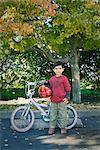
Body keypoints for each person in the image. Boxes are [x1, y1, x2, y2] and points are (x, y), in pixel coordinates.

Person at [47, 61, 71, 135]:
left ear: (63, 69)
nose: (58, 70)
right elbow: (48, 87)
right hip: (53, 100)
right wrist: (47, 95)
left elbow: (68, 89)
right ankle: (52, 127)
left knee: (62, 115)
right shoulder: (52, 79)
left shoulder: (64, 78)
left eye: (60, 68)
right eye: (56, 68)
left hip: (62, 100)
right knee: (53, 115)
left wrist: (67, 97)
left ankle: (63, 127)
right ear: (54, 70)